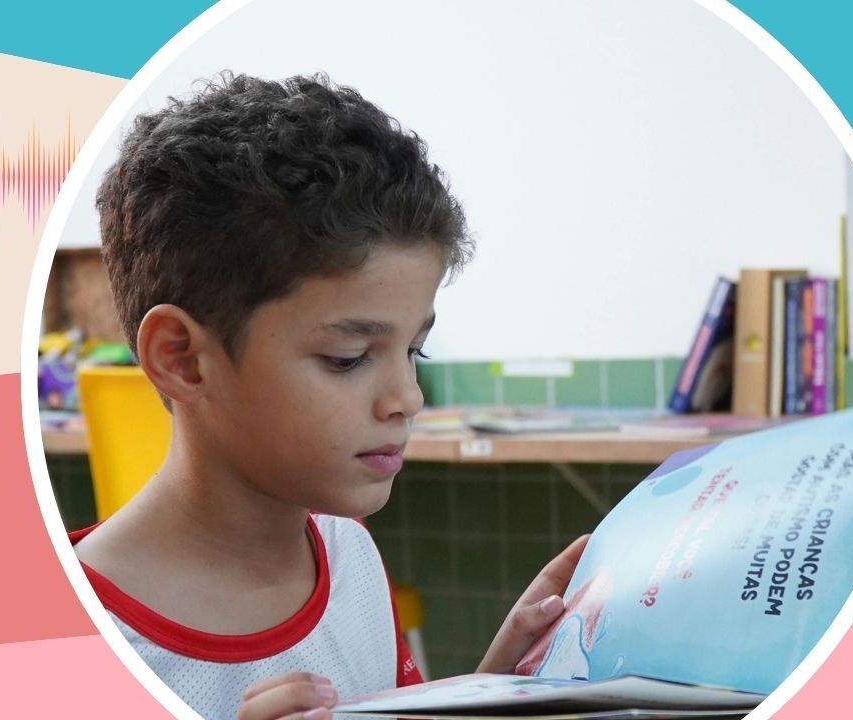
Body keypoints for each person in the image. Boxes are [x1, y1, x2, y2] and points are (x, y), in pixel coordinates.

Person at [71, 72, 588, 720]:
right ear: (182, 358)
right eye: (348, 358)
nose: (407, 397)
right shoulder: (66, 643)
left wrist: (494, 687)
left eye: (414, 349)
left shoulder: (349, 557)